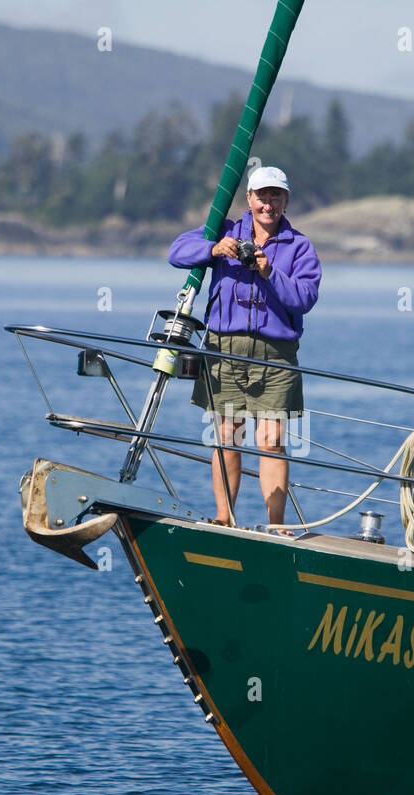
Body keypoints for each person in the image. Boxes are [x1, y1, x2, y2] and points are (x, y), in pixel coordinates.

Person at [167, 166, 322, 529]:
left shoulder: (300, 246)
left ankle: (276, 522)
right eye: (261, 196)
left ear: (286, 200)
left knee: (271, 441)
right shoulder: (226, 231)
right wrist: (213, 249)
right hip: (224, 347)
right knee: (227, 436)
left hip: (276, 353)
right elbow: (176, 252)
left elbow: (305, 298)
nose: (268, 204)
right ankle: (225, 516)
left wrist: (270, 273)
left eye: (276, 196)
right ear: (249, 199)